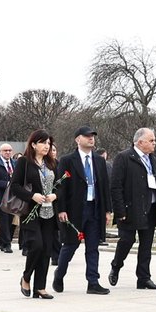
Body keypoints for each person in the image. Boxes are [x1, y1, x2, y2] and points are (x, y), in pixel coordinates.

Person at [55, 126, 113, 295]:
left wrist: (107, 210)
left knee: (93, 247)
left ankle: (93, 282)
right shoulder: (67, 160)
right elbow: (60, 187)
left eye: (93, 136)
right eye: (87, 136)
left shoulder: (99, 161)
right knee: (71, 245)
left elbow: (104, 186)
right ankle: (59, 274)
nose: (91, 139)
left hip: (94, 208)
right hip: (75, 210)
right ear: (77, 139)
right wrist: (61, 209)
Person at [109, 127, 156, 289]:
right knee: (127, 240)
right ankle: (116, 265)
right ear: (140, 142)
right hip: (130, 209)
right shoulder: (124, 157)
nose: (155, 143)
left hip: (151, 207)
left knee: (146, 245)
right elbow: (115, 186)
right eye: (151, 140)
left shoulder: (154, 159)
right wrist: (120, 210)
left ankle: (144, 278)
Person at [10, 130, 61, 299]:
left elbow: (61, 186)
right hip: (31, 212)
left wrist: (55, 195)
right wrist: (32, 195)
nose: (46, 146)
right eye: (43, 143)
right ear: (33, 144)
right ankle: (26, 277)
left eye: (48, 143)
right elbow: (15, 186)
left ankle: (40, 287)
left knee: (46, 249)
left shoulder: (52, 163)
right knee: (36, 245)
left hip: (49, 212)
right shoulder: (24, 162)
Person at [0, 143, 18, 253]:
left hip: (13, 196)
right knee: (4, 219)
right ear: (0, 152)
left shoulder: (15, 163)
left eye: (10, 150)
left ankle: (1, 241)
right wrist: (7, 184)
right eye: (5, 150)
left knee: (10, 219)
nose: (8, 152)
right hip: (1, 196)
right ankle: (7, 244)